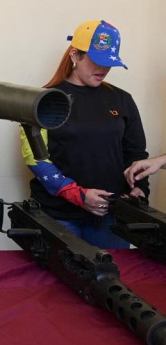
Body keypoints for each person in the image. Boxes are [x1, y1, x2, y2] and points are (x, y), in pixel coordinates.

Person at [21, 20, 148, 249]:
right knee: (61, 272)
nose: (104, 69)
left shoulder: (122, 100)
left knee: (114, 271)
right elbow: (36, 160)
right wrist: (78, 195)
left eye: (109, 63)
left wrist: (140, 189)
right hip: (58, 216)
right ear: (75, 55)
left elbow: (135, 153)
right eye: (97, 61)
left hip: (110, 216)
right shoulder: (43, 100)